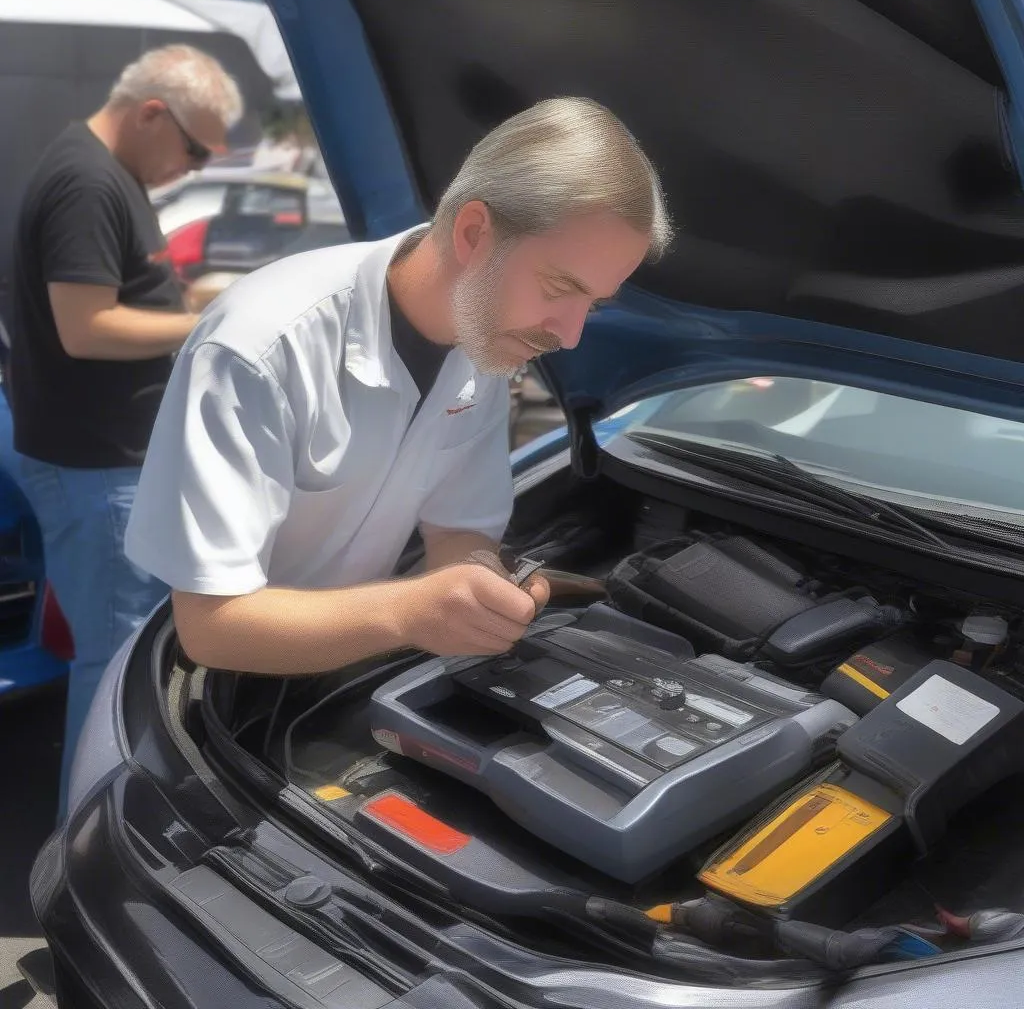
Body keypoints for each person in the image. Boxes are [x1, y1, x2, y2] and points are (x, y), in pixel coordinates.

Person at [125, 96, 671, 676]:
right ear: (473, 232)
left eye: (595, 302)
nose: (571, 335)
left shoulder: (486, 336)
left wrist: (479, 589)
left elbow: (460, 525)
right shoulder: (259, 348)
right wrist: (409, 613)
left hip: (353, 667)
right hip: (228, 688)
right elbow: (212, 627)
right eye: (561, 287)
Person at [7, 45, 243, 816]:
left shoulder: (112, 172)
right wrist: (200, 320)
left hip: (99, 459)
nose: (197, 166)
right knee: (112, 665)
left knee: (114, 653)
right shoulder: (88, 181)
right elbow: (87, 326)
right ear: (151, 113)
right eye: (196, 148)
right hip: (95, 464)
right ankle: (88, 835)